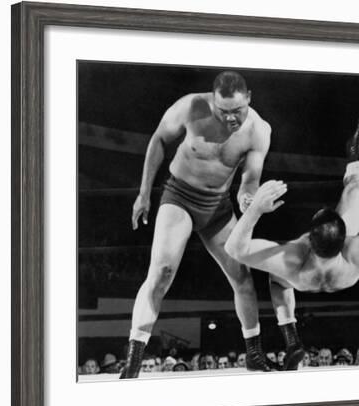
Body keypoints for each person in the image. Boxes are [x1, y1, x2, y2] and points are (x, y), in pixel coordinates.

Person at [121, 71, 299, 378]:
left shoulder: (258, 130)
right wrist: (143, 194)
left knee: (242, 275)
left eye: (237, 111)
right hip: (179, 196)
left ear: (249, 99)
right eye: (223, 112)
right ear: (212, 101)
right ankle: (133, 361)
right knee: (161, 273)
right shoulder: (191, 107)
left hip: (218, 206)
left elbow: (250, 180)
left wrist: (248, 200)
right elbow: (159, 139)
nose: (231, 119)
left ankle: (254, 353)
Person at [225, 104, 359, 305]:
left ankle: (287, 323)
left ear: (307, 239)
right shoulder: (356, 253)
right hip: (343, 276)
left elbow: (234, 249)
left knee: (277, 281)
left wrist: (255, 210)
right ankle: (354, 151)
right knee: (356, 189)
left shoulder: (292, 259)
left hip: (300, 279)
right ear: (346, 239)